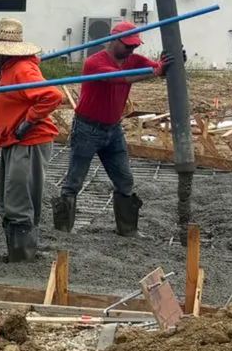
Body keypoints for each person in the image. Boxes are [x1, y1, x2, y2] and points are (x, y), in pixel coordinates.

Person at [55, 21, 167, 237]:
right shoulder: (94, 63)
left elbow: (156, 68)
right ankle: (62, 231)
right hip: (87, 128)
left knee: (125, 180)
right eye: (127, 46)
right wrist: (156, 71)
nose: (131, 50)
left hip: (113, 129)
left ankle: (127, 229)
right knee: (74, 181)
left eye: (134, 46)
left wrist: (168, 64)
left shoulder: (132, 59)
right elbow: (120, 78)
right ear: (114, 41)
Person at [0, 17, 62, 263]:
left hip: (29, 140)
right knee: (10, 197)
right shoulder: (7, 69)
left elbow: (52, 95)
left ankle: (22, 255)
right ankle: (19, 251)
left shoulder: (22, 68)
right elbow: (4, 99)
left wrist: (28, 122)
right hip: (14, 139)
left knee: (19, 198)